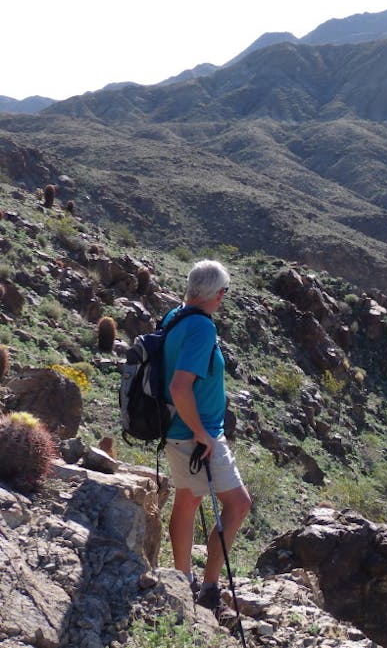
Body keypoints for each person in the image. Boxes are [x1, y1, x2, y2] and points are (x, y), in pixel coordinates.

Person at [162, 259, 251, 619]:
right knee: (239, 505)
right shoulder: (201, 327)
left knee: (187, 501)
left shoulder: (175, 316)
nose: (223, 298)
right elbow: (179, 386)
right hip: (198, 435)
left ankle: (182, 582)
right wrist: (201, 433)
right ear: (216, 293)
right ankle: (210, 590)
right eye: (223, 292)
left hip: (176, 429)